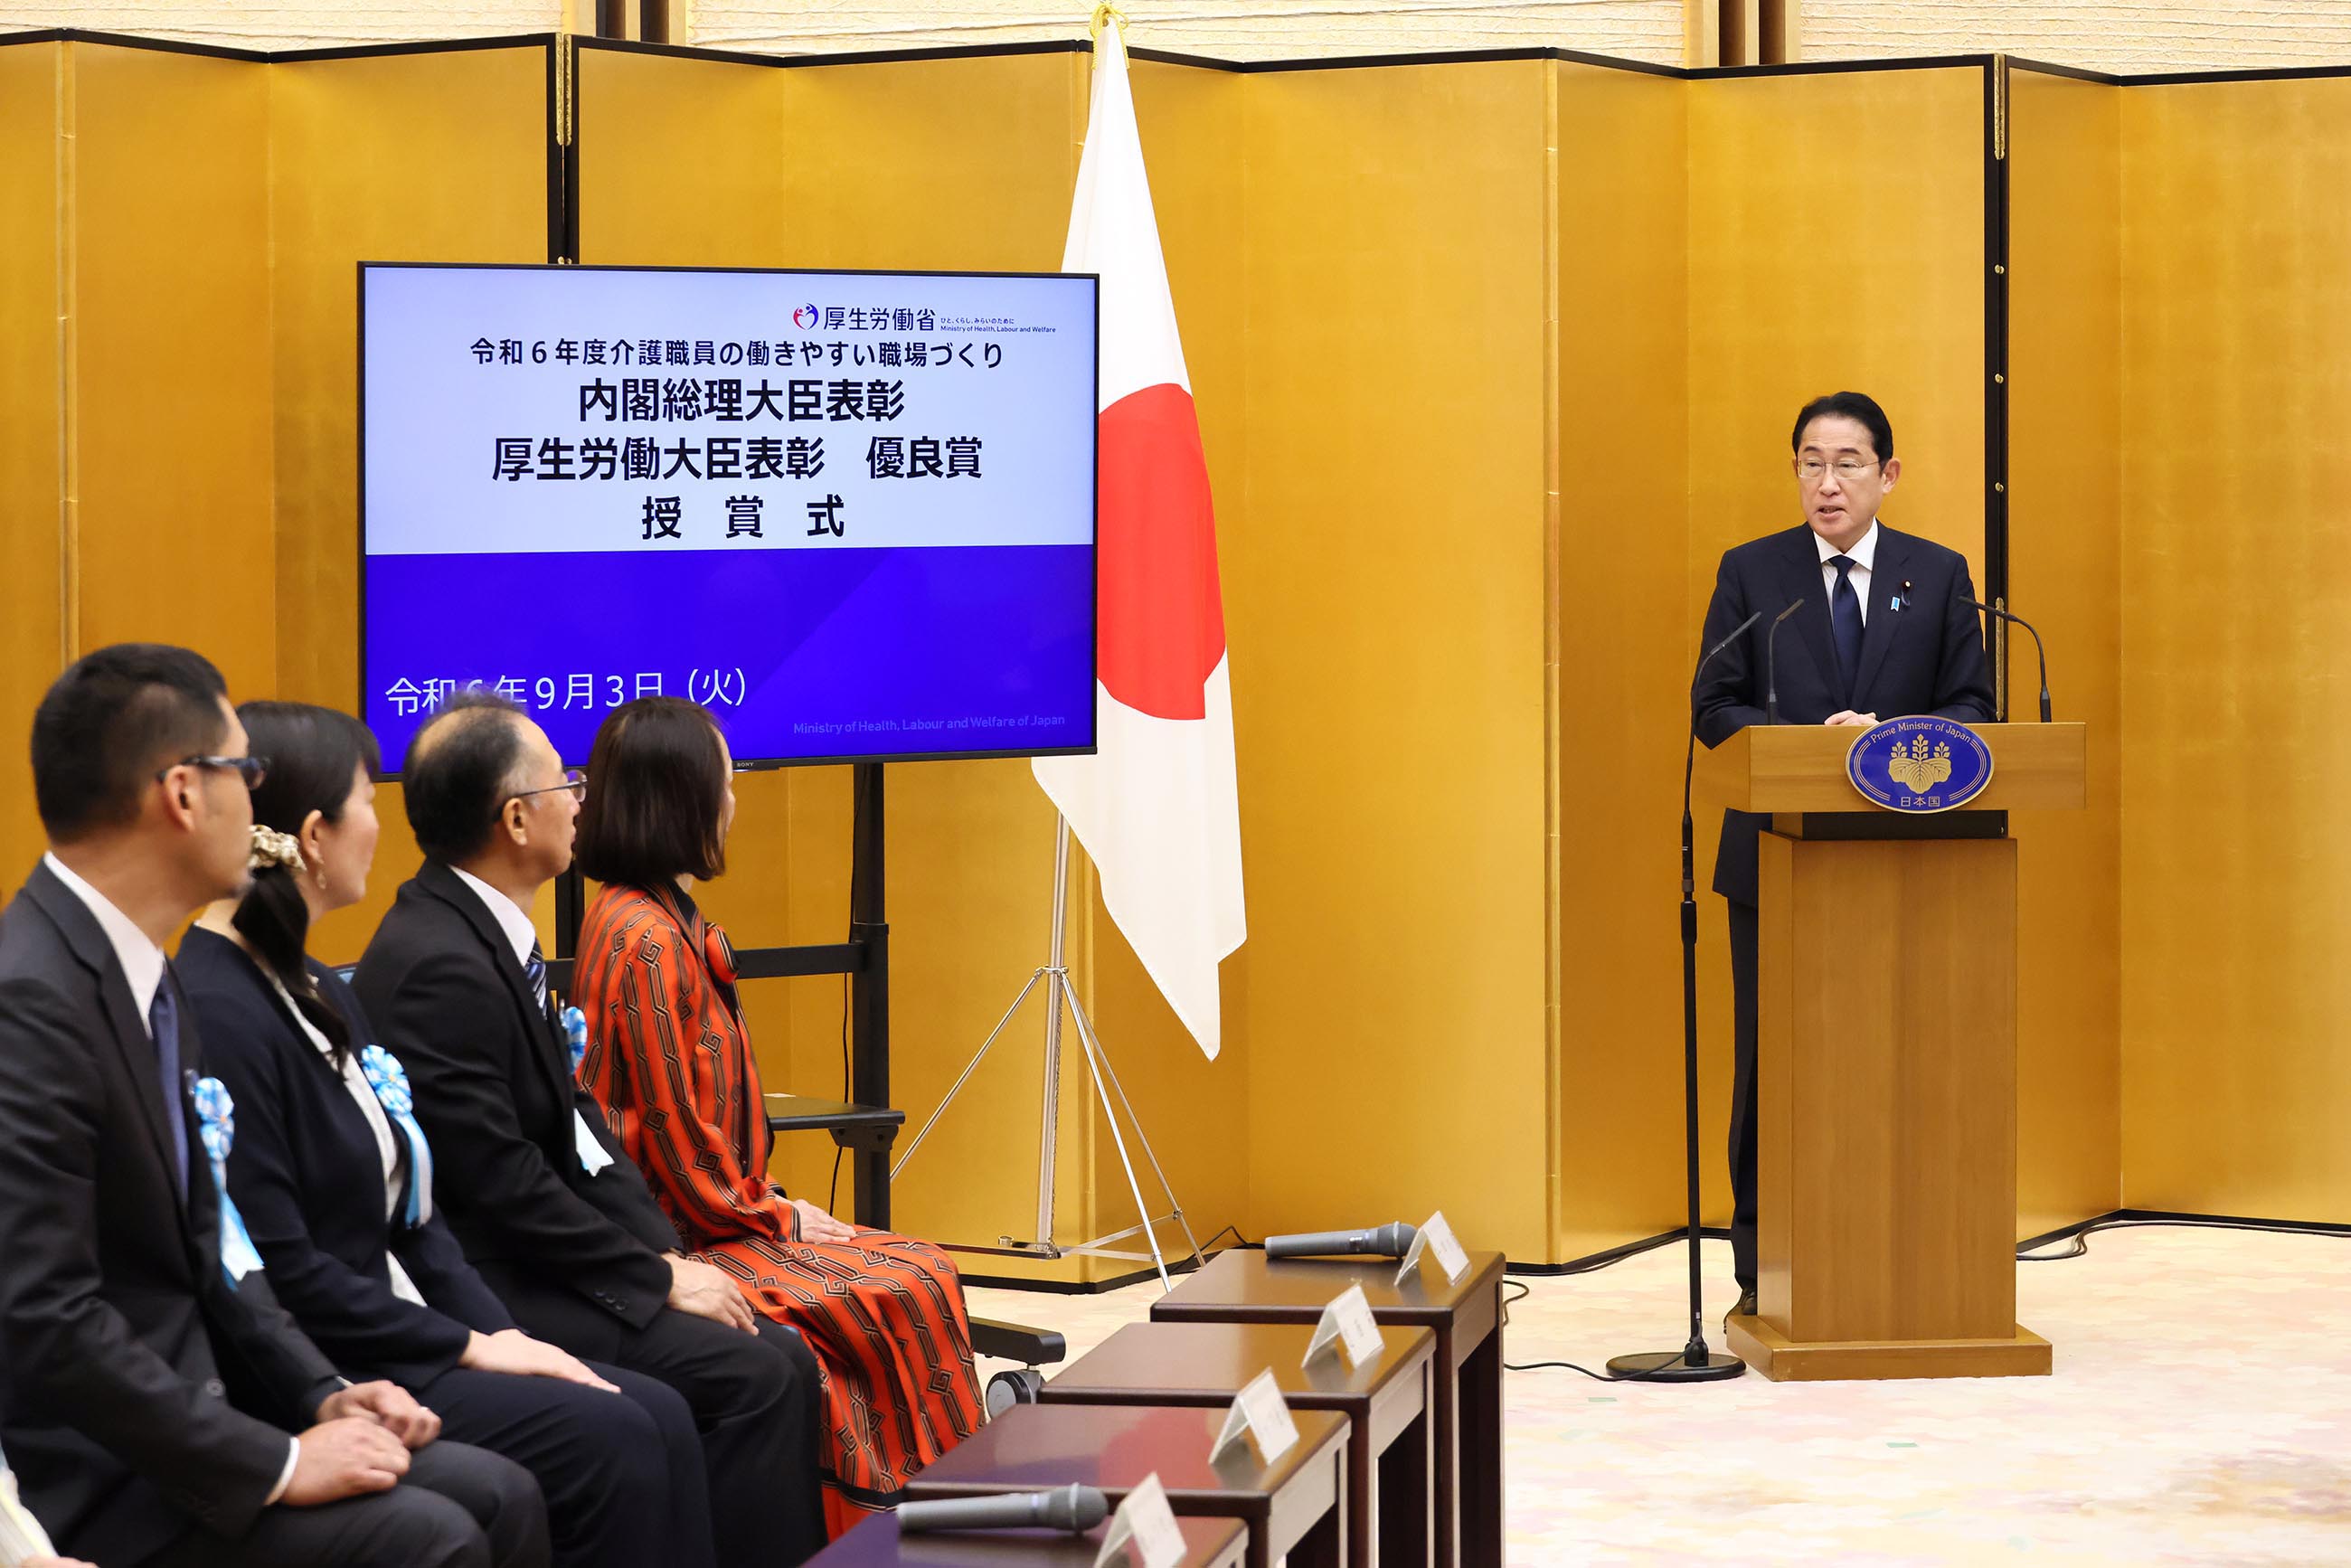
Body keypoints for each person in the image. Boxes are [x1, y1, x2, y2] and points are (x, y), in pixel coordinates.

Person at [0, 645, 548, 1568]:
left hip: (192, 1424)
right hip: (99, 1478)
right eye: (243, 772)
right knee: (433, 1537)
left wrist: (324, 1392)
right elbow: (47, 1318)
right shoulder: (33, 998)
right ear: (182, 794)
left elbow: (222, 1254)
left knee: (496, 1492)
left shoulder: (143, 974)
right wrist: (275, 1460)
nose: (257, 805)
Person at [175, 701, 718, 1568]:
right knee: (615, 1432)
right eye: (366, 801)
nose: (381, 827)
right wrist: (469, 1345)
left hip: (415, 1324)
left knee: (651, 1413)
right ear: (313, 835)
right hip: (354, 1356)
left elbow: (416, 1222)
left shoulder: (316, 984)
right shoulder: (217, 1008)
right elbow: (283, 1265)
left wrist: (504, 1338)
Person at [352, 692, 829, 1566]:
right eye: (564, 782)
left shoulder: (488, 933)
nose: (582, 797)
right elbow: (501, 1183)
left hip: (556, 1256)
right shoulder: (437, 964)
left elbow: (582, 1138)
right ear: (516, 816)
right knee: (758, 1375)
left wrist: (665, 1259)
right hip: (500, 1276)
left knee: (777, 1357)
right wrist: (648, 1278)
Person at [568, 698, 983, 1533]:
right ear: (684, 798)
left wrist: (776, 1207)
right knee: (897, 1284)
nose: (736, 796)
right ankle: (891, 1527)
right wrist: (780, 1215)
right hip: (686, 1238)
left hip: (723, 1214)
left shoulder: (661, 918)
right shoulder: (642, 939)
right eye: (725, 778)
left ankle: (940, 1517)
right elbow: (675, 1144)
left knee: (919, 1269)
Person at [1693, 394, 1996, 1317]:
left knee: (1907, 1064)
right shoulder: (1754, 574)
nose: (1825, 484)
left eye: (1846, 464)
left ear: (1886, 475)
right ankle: (1763, 1273)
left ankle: (1913, 1264)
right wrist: (1808, 744)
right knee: (1770, 1066)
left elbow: (1974, 710)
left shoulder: (1936, 575)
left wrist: (1885, 736)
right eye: (1809, 463)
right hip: (1775, 864)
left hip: (1911, 868)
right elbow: (1712, 705)